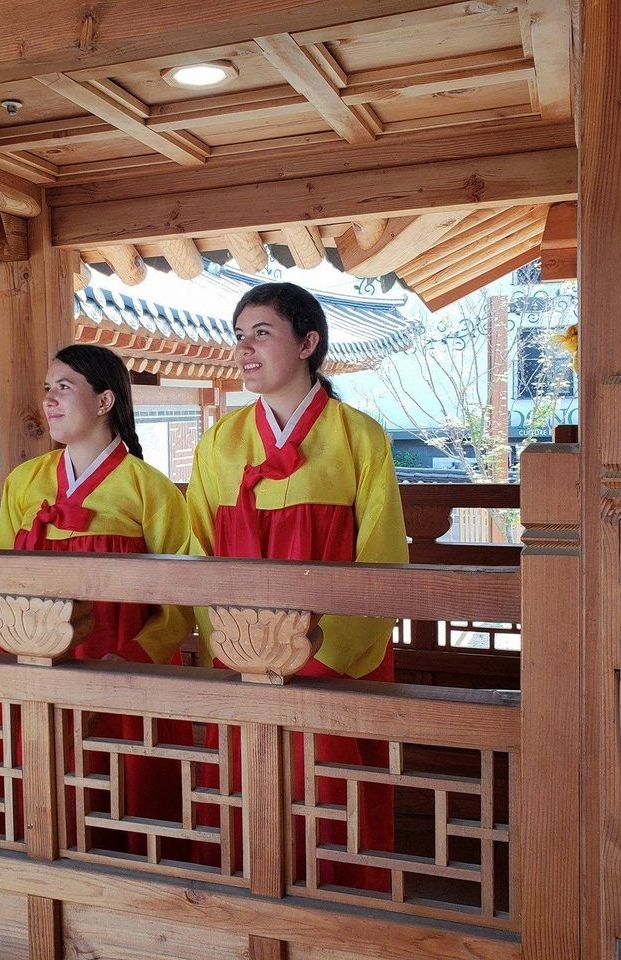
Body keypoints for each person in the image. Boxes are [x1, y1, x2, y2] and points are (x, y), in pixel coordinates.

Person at [187, 282, 408, 890]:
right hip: (242, 662)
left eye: (261, 333)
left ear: (308, 343)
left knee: (333, 794)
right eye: (238, 336)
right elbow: (196, 552)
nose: (243, 350)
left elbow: (382, 559)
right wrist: (230, 644)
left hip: (330, 661)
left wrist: (323, 651)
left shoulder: (359, 437)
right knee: (244, 795)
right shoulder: (219, 443)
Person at [0, 344, 193, 852]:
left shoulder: (151, 491)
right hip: (35, 664)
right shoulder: (25, 482)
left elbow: (182, 600)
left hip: (120, 671)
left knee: (124, 800)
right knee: (32, 796)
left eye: (64, 387)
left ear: (106, 399)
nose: (49, 399)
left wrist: (134, 657)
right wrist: (2, 650)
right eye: (47, 388)